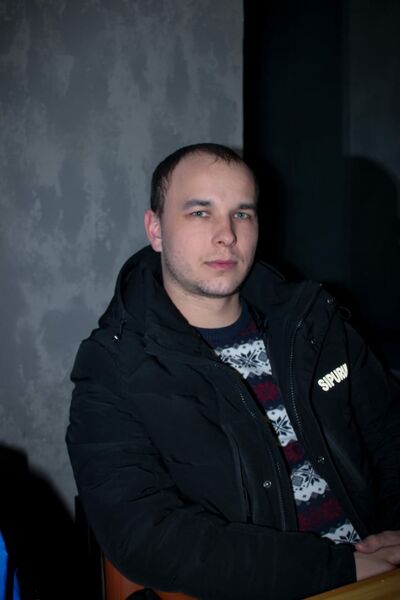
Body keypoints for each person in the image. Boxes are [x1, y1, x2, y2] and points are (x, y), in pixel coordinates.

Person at [66, 144, 400, 599]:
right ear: (156, 229)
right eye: (200, 212)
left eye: (242, 214)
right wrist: (337, 568)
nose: (227, 234)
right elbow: (142, 534)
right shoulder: (114, 365)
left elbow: (389, 433)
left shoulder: (315, 323)